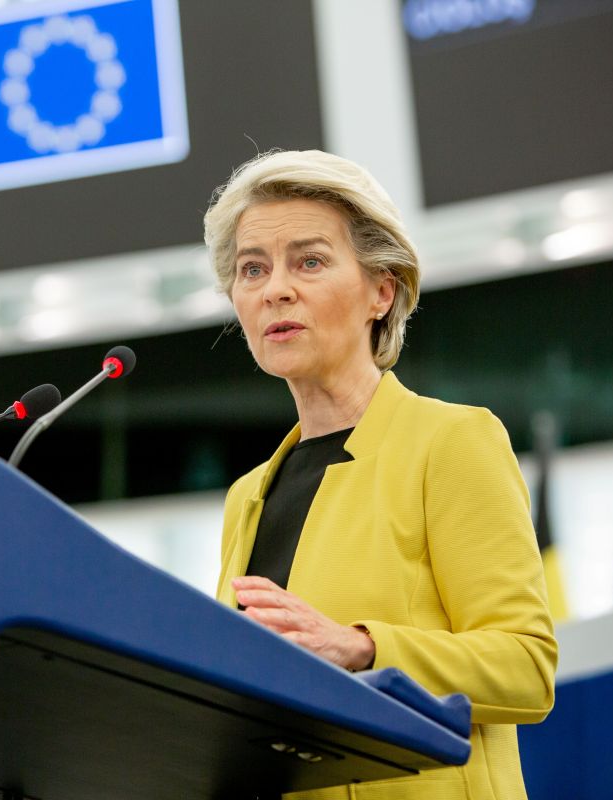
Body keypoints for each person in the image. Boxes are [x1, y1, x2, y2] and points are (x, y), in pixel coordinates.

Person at [203, 150, 557, 800]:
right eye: (253, 269)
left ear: (381, 291)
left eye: (309, 261)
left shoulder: (450, 441)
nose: (275, 288)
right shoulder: (246, 496)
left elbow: (527, 669)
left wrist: (364, 648)